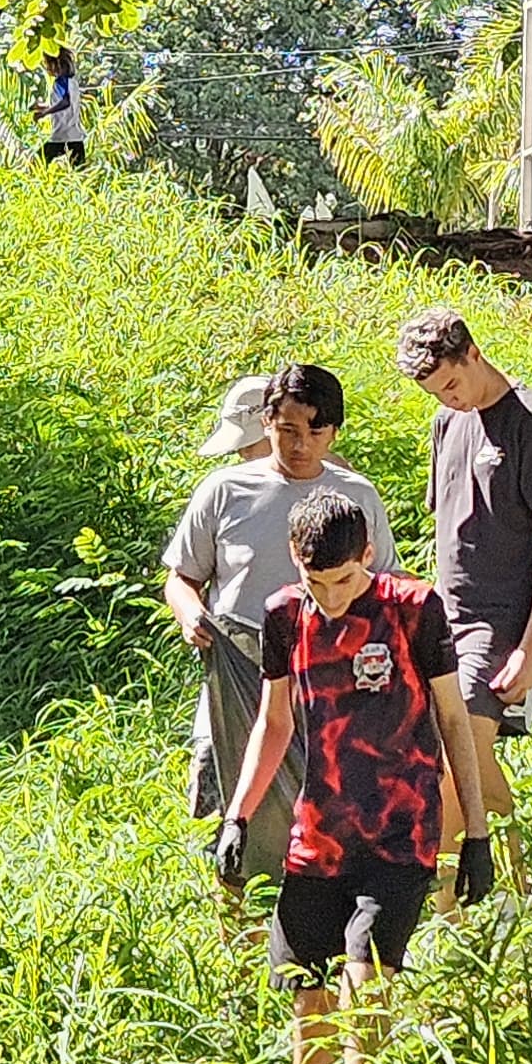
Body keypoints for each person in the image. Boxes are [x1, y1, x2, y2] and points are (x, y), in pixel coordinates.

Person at [220, 488, 495, 1064]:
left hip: (402, 833)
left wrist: (474, 835)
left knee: (365, 989)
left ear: (368, 554)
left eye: (342, 580)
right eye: (316, 580)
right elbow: (275, 724)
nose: (330, 596)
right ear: (295, 558)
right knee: (306, 996)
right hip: (318, 838)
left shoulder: (413, 608)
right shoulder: (286, 615)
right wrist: (238, 815)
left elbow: (453, 720)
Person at [163, 363, 398, 883]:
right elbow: (180, 578)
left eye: (315, 431)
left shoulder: (356, 496)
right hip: (240, 678)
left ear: (334, 432)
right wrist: (191, 615)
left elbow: (384, 590)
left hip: (329, 688)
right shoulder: (225, 490)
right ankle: (237, 939)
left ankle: (314, 940)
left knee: (328, 826)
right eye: (288, 430)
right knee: (226, 819)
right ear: (267, 423)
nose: (300, 445)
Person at [394, 305, 532, 861]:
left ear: (473, 353)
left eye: (451, 383)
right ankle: (515, 889)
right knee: (459, 759)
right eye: (435, 393)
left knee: (456, 758)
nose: (449, 398)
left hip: (502, 624)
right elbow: (446, 526)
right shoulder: (447, 422)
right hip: (445, 616)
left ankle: (447, 901)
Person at [41, 48, 86, 165]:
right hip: (75, 136)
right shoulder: (72, 82)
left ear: (55, 64)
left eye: (47, 64)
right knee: (79, 171)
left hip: (63, 136)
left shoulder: (61, 82)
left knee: (38, 162)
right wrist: (44, 108)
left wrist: (45, 113)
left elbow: (65, 102)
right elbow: (61, 104)